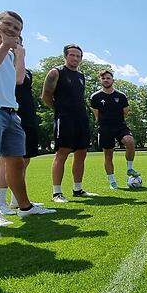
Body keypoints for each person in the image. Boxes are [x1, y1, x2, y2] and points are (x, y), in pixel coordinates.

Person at [0, 11, 55, 226]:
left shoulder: (9, 52)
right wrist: (6, 46)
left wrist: (17, 53)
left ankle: (24, 207)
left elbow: (18, 80)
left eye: (16, 28)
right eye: (7, 24)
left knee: (16, 162)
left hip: (10, 111)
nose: (11, 30)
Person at [0, 37, 42, 213]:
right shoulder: (3, 63)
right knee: (5, 160)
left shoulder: (26, 70)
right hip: (8, 112)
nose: (17, 45)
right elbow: (17, 80)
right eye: (14, 42)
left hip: (27, 116)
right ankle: (0, 204)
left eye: (20, 42)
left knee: (23, 159)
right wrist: (19, 57)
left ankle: (17, 200)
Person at [42, 44, 97, 202]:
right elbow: (46, 96)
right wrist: (59, 110)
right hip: (64, 119)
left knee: (81, 153)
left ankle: (78, 189)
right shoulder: (56, 72)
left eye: (78, 56)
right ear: (65, 56)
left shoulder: (81, 76)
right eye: (72, 55)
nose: (75, 58)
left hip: (81, 118)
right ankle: (57, 193)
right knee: (63, 153)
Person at [90, 70, 140, 189]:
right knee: (108, 156)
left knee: (130, 141)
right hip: (105, 128)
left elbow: (126, 112)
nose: (106, 80)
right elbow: (96, 114)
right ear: (100, 80)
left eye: (108, 78)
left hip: (120, 126)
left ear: (113, 80)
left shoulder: (121, 96)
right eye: (103, 78)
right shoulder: (95, 97)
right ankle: (112, 181)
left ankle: (129, 168)